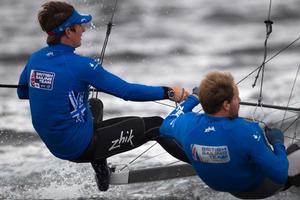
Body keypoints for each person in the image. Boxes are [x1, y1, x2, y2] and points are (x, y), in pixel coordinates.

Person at [17, 1, 189, 192]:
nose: (83, 29)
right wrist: (169, 92)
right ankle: (206, 165)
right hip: (80, 146)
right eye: (79, 26)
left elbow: (23, 92)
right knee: (156, 125)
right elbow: (127, 92)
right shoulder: (81, 66)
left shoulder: (36, 58)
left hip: (56, 144)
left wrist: (56, 90)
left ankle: (102, 172)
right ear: (68, 32)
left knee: (95, 104)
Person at [160, 71, 300, 199]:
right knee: (295, 150)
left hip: (227, 187)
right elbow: (280, 175)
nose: (238, 100)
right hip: (260, 188)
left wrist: (193, 99)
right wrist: (277, 143)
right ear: (226, 105)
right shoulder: (246, 131)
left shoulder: (188, 124)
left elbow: (166, 124)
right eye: (236, 97)